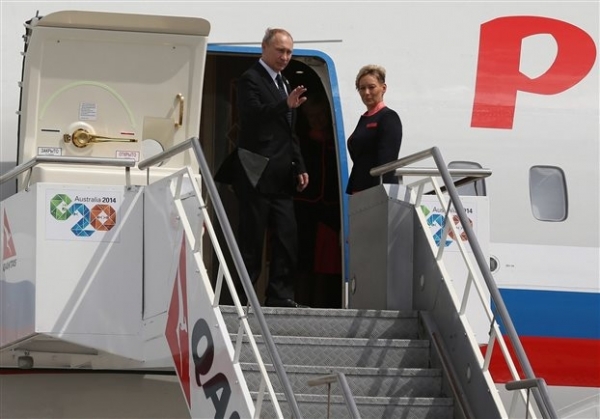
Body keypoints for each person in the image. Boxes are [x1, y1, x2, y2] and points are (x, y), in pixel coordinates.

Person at [220, 28, 309, 308]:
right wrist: (285, 105)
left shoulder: (285, 82)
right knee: (252, 239)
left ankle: (280, 295)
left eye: (289, 52)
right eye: (280, 50)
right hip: (255, 170)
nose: (285, 57)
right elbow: (252, 116)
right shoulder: (251, 79)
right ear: (264, 48)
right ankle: (238, 299)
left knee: (287, 235)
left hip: (282, 172)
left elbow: (289, 131)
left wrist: (300, 165)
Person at [294, 94, 342, 307]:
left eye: (320, 114)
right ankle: (301, 303)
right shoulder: (301, 141)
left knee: (327, 262)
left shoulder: (336, 141)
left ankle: (323, 305)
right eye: (312, 116)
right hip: (304, 207)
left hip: (330, 210)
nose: (317, 119)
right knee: (303, 259)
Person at [345, 65, 403, 194]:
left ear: (383, 88)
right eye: (362, 88)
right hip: (358, 188)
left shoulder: (388, 117)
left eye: (371, 87)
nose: (366, 92)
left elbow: (387, 163)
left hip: (375, 191)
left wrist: (378, 193)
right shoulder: (365, 118)